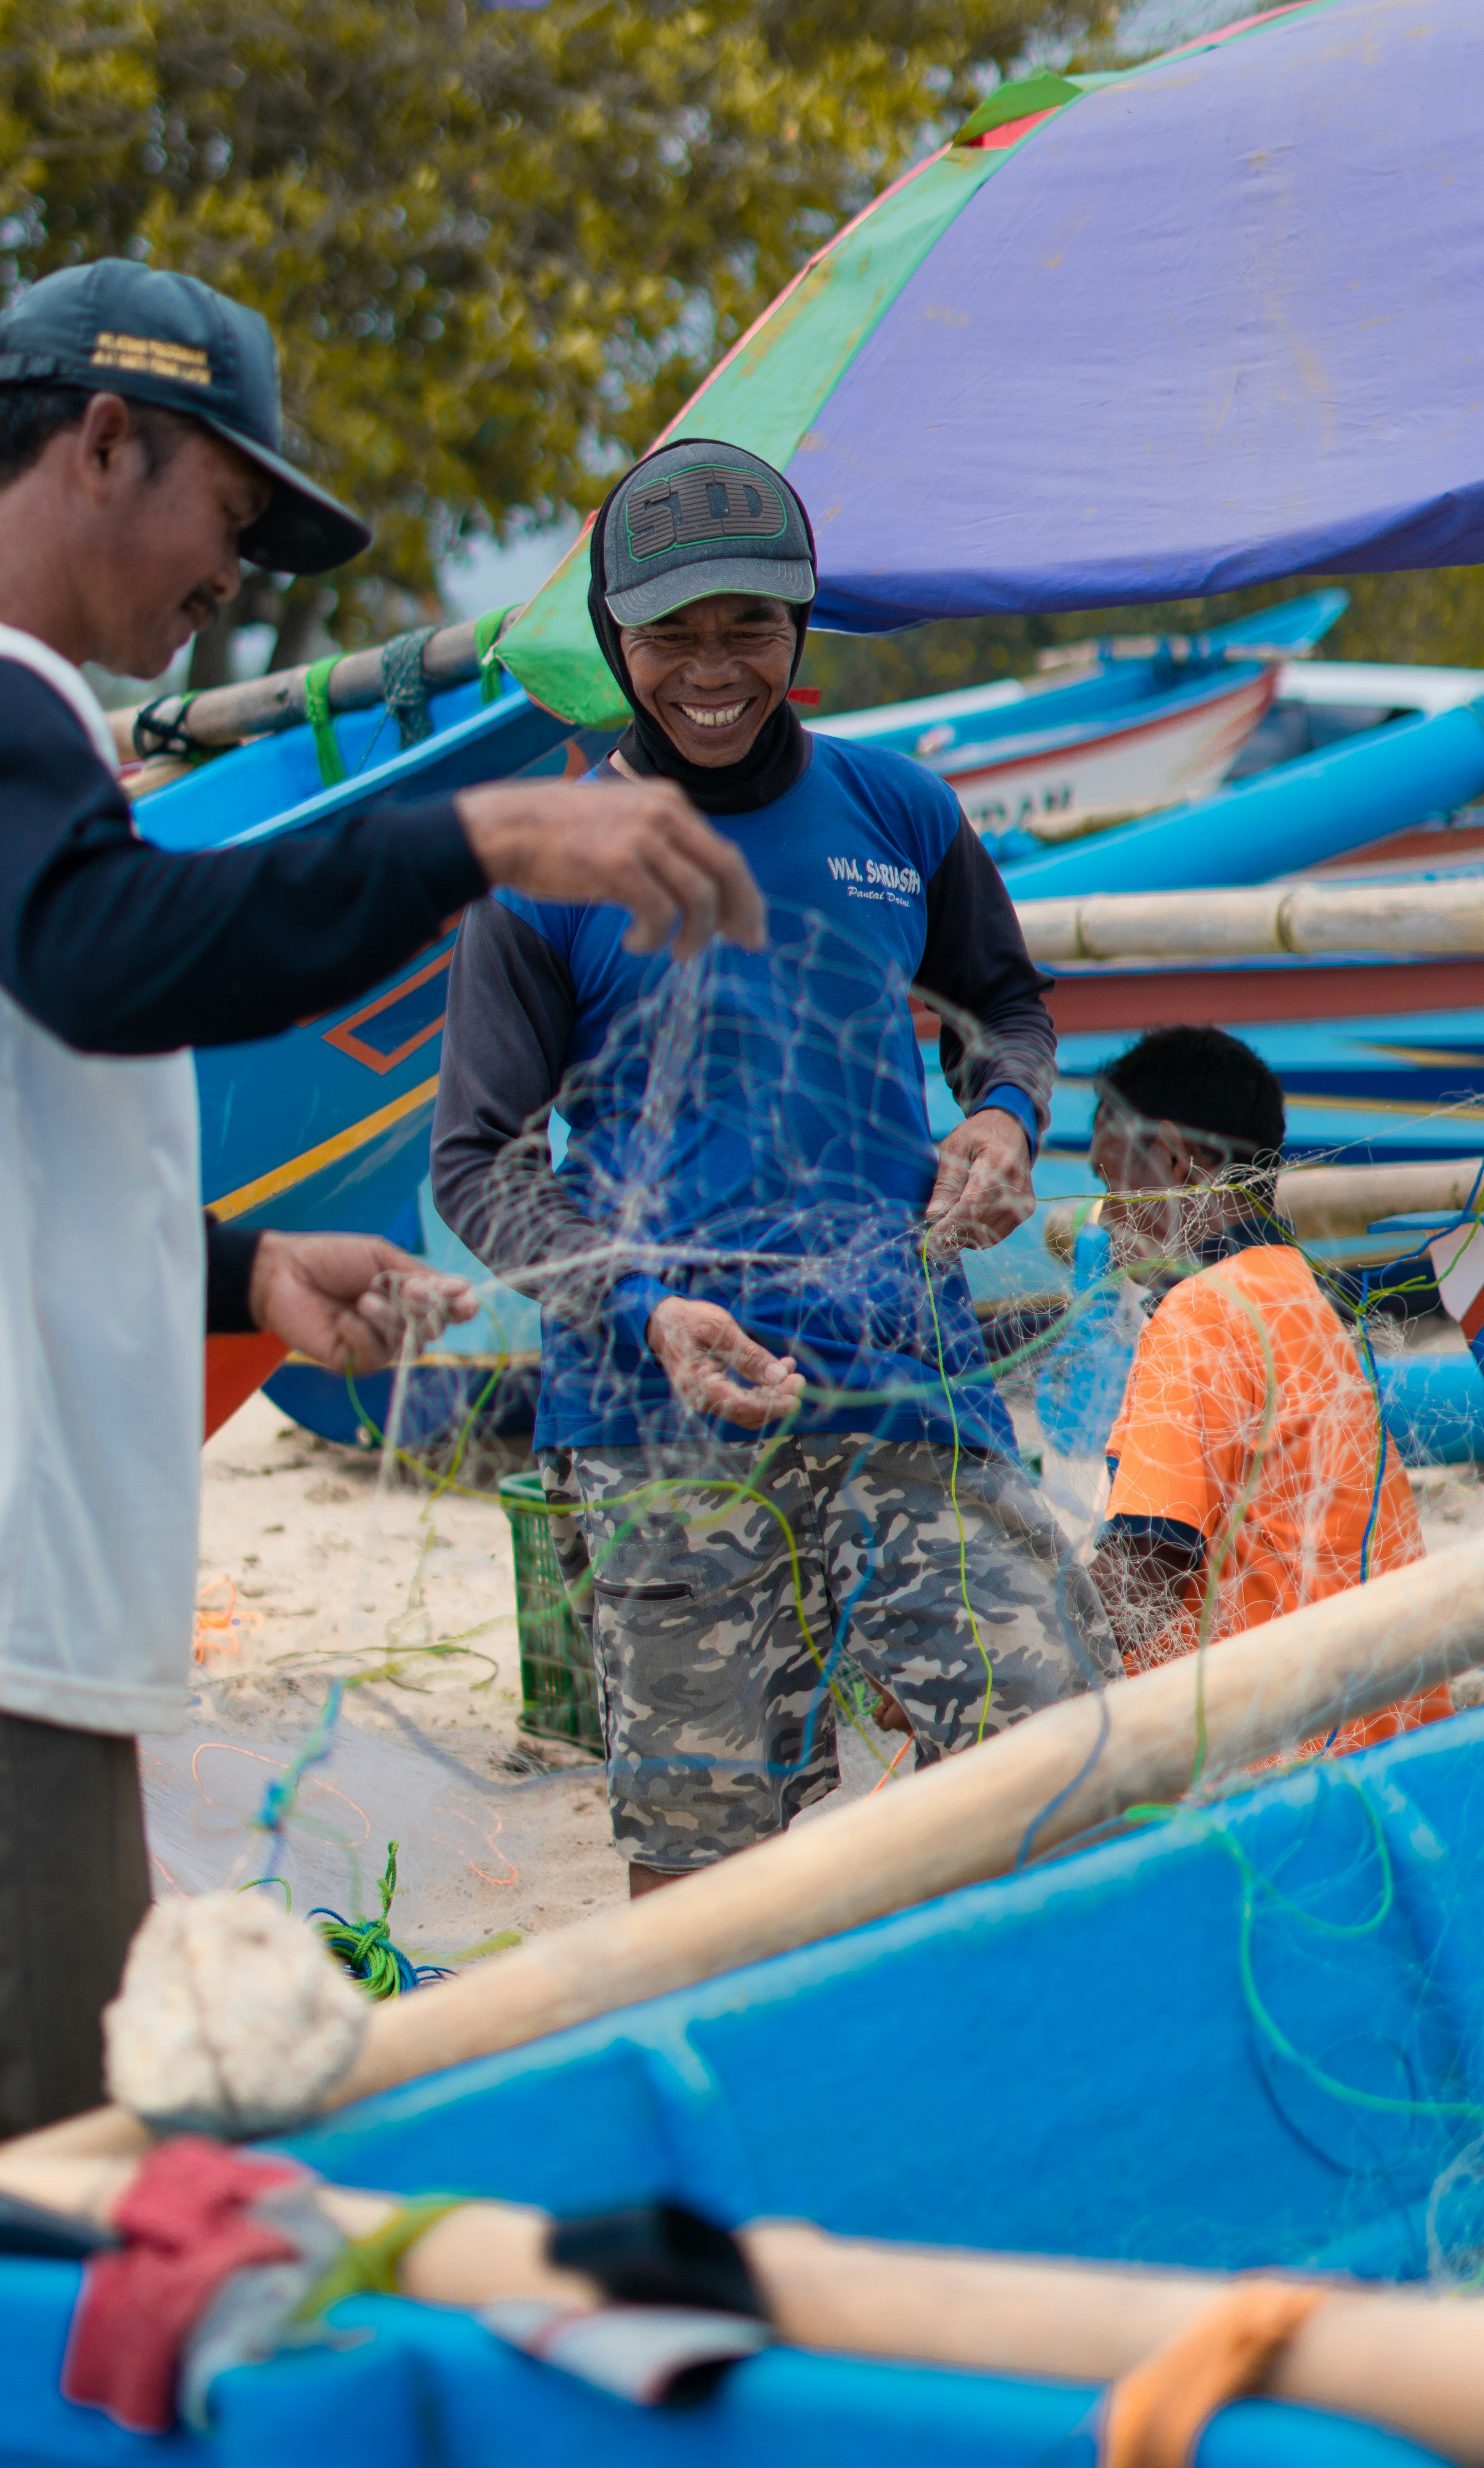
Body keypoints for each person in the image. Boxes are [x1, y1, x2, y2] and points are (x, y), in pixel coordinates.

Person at [0, 262, 765, 2139]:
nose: (231, 584)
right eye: (227, 516)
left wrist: (244, 1265)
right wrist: (481, 831)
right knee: (36, 2178)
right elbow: (106, 948)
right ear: (103, 438)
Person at [431, 437, 1114, 1898]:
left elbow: (1007, 1007)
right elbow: (481, 1163)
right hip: (656, 1431)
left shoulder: (901, 816)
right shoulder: (543, 869)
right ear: (617, 643)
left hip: (906, 1392)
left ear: (801, 627)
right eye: (671, 633)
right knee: (705, 1881)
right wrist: (642, 1309)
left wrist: (1002, 1115)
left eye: (749, 624)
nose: (714, 665)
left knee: (1052, 1764)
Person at [1086, 1025, 1451, 1751]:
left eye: (1110, 1181)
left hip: (1273, 1772)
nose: (1108, 1218)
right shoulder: (1307, 1295)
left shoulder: (1200, 1313)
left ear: (1173, 1156)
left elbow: (1147, 1568)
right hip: (1385, 1747)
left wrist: (993, 1673)